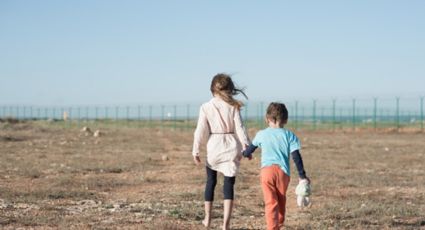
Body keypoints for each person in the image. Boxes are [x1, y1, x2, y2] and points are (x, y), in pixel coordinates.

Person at [192, 73, 250, 230]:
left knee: (211, 182)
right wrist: (246, 145)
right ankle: (226, 224)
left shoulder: (206, 107)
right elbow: (240, 128)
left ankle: (207, 219)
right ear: (230, 90)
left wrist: (195, 149)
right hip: (231, 146)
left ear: (212, 90)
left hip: (214, 147)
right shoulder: (234, 107)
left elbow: (200, 130)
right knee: (228, 185)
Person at [243, 102, 309, 230]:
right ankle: (279, 223)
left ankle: (273, 227)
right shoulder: (290, 135)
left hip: (266, 172)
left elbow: (250, 149)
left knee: (270, 201)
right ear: (285, 120)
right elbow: (296, 157)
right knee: (281, 199)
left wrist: (245, 153)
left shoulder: (261, 134)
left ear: (267, 119)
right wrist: (302, 175)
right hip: (283, 173)